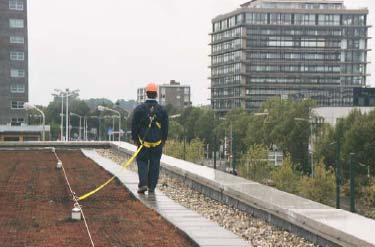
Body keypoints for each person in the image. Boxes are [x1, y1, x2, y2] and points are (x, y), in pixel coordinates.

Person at [131, 83, 169, 193]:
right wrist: (163, 140)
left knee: (142, 162)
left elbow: (134, 125)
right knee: (155, 163)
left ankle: (143, 183)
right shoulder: (162, 110)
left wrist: (135, 139)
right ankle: (152, 187)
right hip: (157, 143)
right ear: (156, 94)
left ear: (146, 93)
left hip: (143, 143)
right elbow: (165, 127)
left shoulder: (139, 109)